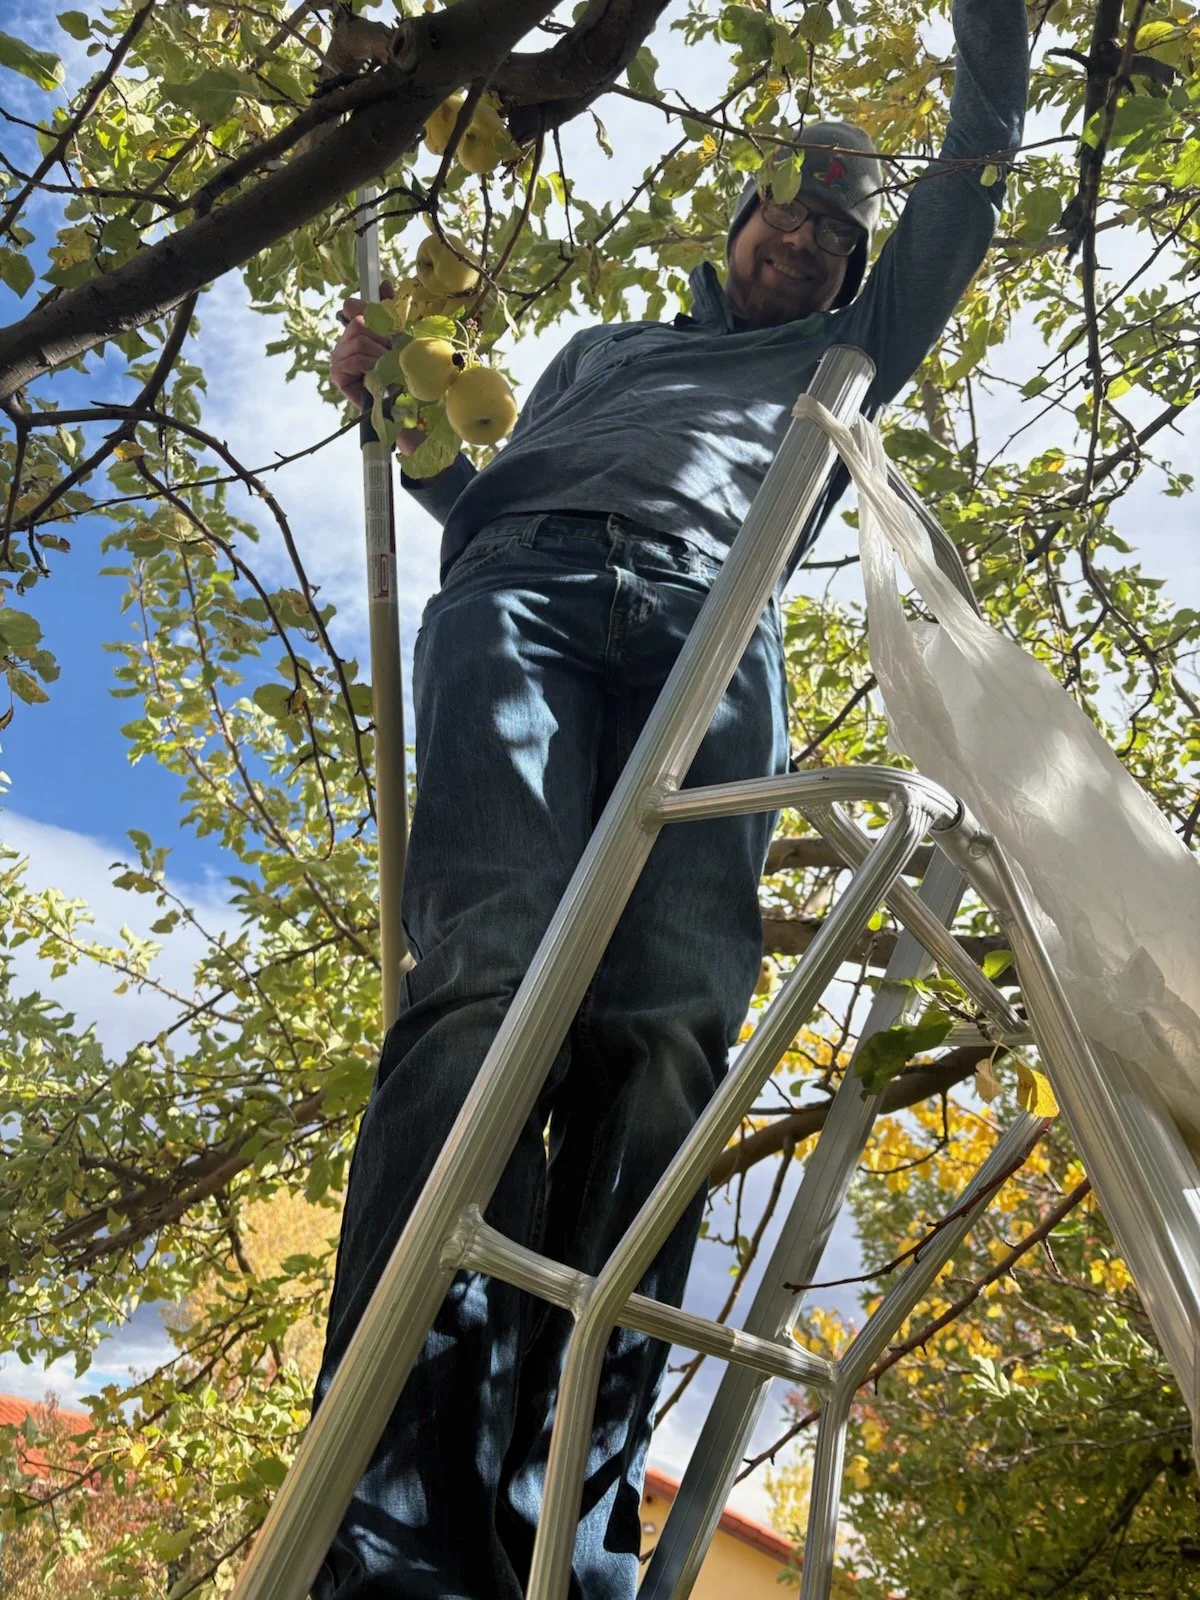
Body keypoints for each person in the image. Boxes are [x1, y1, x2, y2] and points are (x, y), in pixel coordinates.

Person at [313, 4, 1029, 1596]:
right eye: (791, 209)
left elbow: (970, 185)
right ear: (736, 225)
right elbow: (480, 495)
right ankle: (396, 1497)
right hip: (526, 591)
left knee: (669, 1032)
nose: (816, 242)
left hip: (715, 627)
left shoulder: (841, 356)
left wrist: (1003, 26)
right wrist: (404, 416)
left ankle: (563, 1508)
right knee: (487, 982)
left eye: (843, 233)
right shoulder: (603, 354)